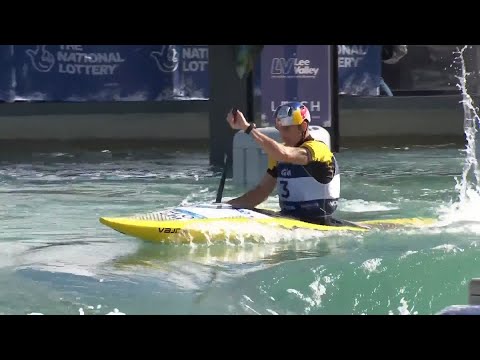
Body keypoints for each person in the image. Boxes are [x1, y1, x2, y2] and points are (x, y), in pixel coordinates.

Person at [225, 102, 341, 225]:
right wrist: (226, 207)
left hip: (319, 221)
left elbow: (284, 154)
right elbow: (261, 192)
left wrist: (247, 128)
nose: (282, 134)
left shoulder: (318, 149)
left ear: (303, 126)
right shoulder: (277, 156)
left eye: (286, 129)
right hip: (287, 218)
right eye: (279, 129)